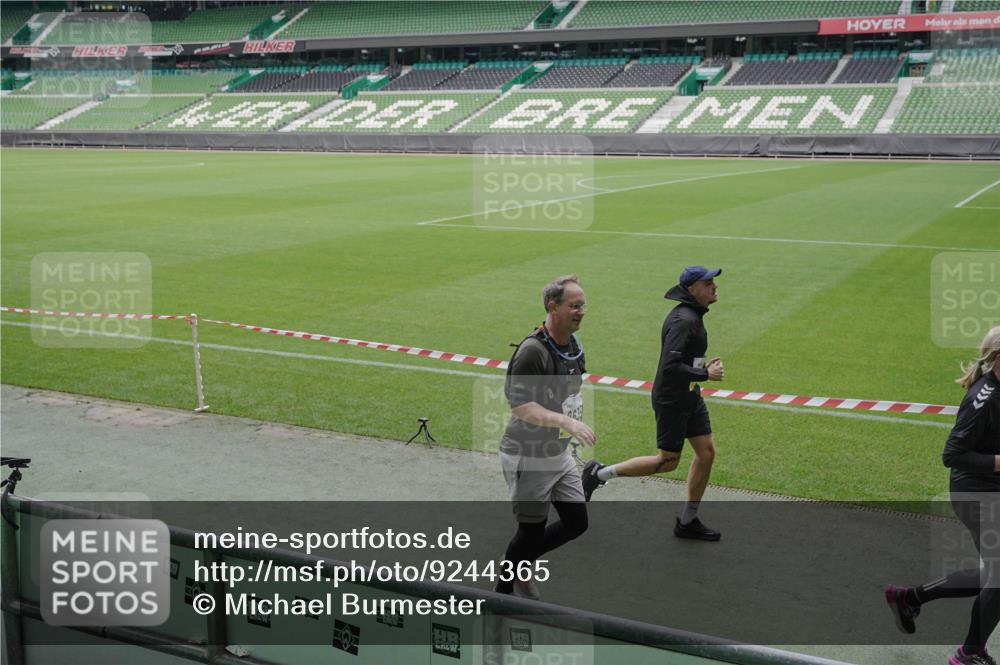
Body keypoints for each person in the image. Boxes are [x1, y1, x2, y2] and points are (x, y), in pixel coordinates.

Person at [581, 265, 725, 541]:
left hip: (689, 395)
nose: (714, 287)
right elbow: (670, 366)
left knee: (706, 452)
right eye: (708, 283)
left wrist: (701, 368)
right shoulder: (685, 320)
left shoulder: (693, 315)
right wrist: (705, 373)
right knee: (668, 461)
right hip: (673, 399)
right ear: (692, 289)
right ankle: (598, 474)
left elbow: (681, 361)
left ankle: (688, 520)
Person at [885, 326, 1000, 665]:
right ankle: (969, 653)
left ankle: (910, 598)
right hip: (974, 492)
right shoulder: (984, 398)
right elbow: (952, 454)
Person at [495, 275, 595, 599]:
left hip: (557, 450)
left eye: (583, 305)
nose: (581, 311)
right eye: (574, 305)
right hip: (528, 452)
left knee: (577, 522)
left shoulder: (574, 348)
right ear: (553, 307)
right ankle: (500, 596)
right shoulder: (532, 351)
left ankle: (521, 564)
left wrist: (569, 424)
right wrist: (565, 421)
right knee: (529, 531)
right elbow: (521, 406)